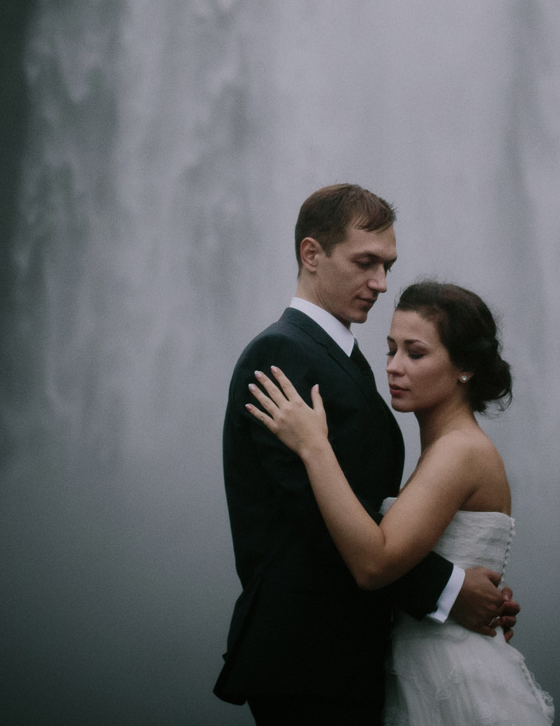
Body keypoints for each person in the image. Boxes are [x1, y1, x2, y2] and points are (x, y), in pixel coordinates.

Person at [215, 185, 519, 725]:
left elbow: (368, 514)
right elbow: (320, 518)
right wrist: (450, 590)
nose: (380, 283)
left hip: (347, 656)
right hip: (308, 658)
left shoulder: (339, 357)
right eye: (365, 263)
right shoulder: (282, 352)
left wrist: (462, 591)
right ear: (312, 255)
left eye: (387, 265)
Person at [247, 280, 554, 725]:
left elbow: (376, 562)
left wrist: (314, 446)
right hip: (426, 669)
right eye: (390, 350)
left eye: (415, 353)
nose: (393, 367)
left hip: (452, 681)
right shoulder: (445, 448)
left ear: (464, 366)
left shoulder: (459, 451)